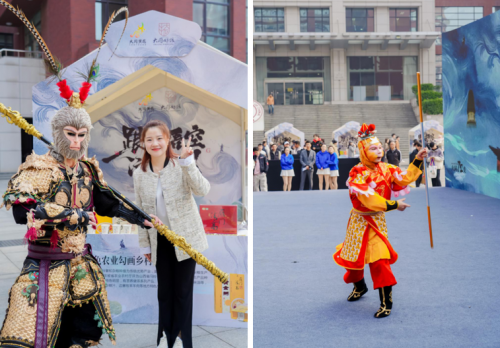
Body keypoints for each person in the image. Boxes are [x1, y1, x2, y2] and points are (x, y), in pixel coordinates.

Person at [0, 7, 140, 347]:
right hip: (45, 267)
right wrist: (70, 215)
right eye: (71, 134)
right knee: (41, 335)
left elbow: (105, 202)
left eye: (81, 135)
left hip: (80, 266)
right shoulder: (39, 166)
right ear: (59, 133)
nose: (76, 141)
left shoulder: (87, 169)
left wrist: (136, 216)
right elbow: (23, 210)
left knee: (84, 333)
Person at [333, 123, 428, 318]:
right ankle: (360, 287)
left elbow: (405, 178)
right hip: (359, 222)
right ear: (363, 151)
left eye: (379, 147)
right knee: (352, 262)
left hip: (376, 222)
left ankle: (387, 303)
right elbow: (369, 200)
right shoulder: (357, 173)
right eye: (373, 148)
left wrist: (417, 160)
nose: (379, 151)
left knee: (380, 261)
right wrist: (394, 205)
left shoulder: (388, 169)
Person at [133, 120, 210, 348]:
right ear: (143, 144)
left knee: (183, 292)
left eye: (159, 138)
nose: (155, 143)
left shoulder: (180, 165)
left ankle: (181, 339)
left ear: (167, 140)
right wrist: (145, 245)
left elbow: (202, 189)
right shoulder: (140, 173)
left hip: (186, 241)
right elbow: (139, 213)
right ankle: (166, 337)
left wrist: (189, 163)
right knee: (164, 292)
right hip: (160, 242)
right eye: (149, 139)